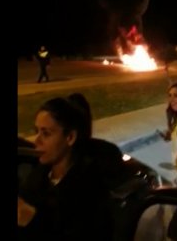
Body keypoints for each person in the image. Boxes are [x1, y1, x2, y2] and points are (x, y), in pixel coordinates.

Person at [18, 97, 114, 240]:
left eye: (46, 133)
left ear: (70, 137)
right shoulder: (39, 176)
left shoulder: (90, 188)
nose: (36, 141)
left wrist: (32, 220)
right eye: (36, 131)